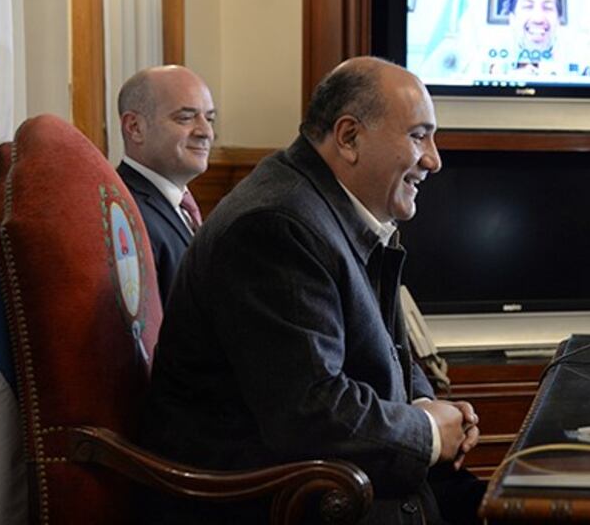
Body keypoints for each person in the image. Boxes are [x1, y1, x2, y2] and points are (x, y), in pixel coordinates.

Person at [140, 57, 485, 524]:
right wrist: (427, 432)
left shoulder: (340, 210)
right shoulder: (275, 226)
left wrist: (426, 404)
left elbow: (385, 348)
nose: (433, 159)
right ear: (349, 137)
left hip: (342, 481)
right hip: (281, 501)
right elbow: (311, 414)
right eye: (418, 135)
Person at [117, 65, 215, 304]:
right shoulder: (127, 212)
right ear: (135, 127)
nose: (206, 132)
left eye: (210, 118)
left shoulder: (178, 205)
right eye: (185, 118)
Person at [485, 0, 590, 80]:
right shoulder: (489, 56)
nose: (538, 18)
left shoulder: (582, 57)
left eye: (547, 7)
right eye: (528, 6)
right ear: (512, 18)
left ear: (558, 19)